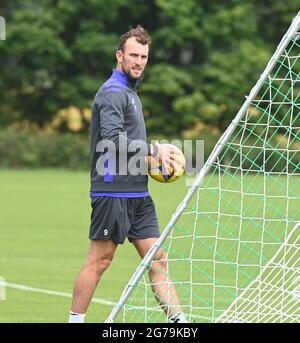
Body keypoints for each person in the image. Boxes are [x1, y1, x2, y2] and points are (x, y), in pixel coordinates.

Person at [68, 25, 188, 323]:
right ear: (119, 55)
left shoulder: (130, 92)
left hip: (138, 193)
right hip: (112, 191)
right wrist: (153, 150)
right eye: (133, 55)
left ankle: (181, 324)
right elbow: (111, 140)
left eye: (144, 56)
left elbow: (126, 148)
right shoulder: (112, 93)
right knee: (100, 261)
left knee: (157, 259)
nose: (139, 61)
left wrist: (151, 163)